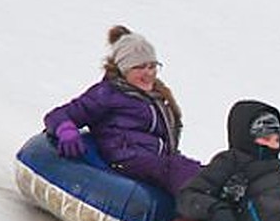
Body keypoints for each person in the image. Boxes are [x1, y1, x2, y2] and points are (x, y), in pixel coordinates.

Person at [43, 25, 201, 195]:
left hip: (157, 163)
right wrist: (66, 130)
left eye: (152, 66)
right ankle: (200, 213)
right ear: (124, 69)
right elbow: (58, 115)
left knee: (207, 172)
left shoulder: (158, 97)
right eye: (140, 67)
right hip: (127, 160)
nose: (149, 73)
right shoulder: (108, 93)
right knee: (176, 168)